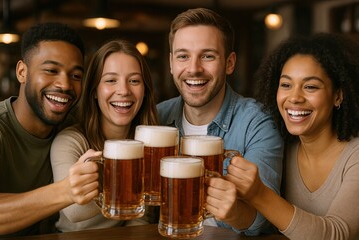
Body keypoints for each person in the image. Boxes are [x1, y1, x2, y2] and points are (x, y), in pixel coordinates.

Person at [157, 8, 284, 236]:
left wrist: (235, 212)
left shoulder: (258, 122)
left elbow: (264, 219)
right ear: (171, 62)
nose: (194, 68)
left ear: (229, 63)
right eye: (183, 56)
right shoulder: (157, 119)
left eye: (207, 56)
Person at [227, 33, 359, 240]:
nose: (294, 98)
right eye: (286, 85)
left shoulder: (355, 157)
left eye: (310, 87)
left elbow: (338, 234)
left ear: (338, 95)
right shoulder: (280, 147)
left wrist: (259, 194)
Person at [50, 39, 159, 232]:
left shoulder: (150, 142)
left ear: (145, 91)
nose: (124, 91)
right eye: (110, 80)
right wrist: (128, 176)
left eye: (134, 81)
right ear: (94, 91)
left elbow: (142, 217)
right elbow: (75, 211)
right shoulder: (70, 140)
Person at [0, 22, 93, 238]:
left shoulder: (73, 130)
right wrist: (65, 191)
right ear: (22, 72)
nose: (65, 85)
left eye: (76, 76)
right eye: (51, 70)